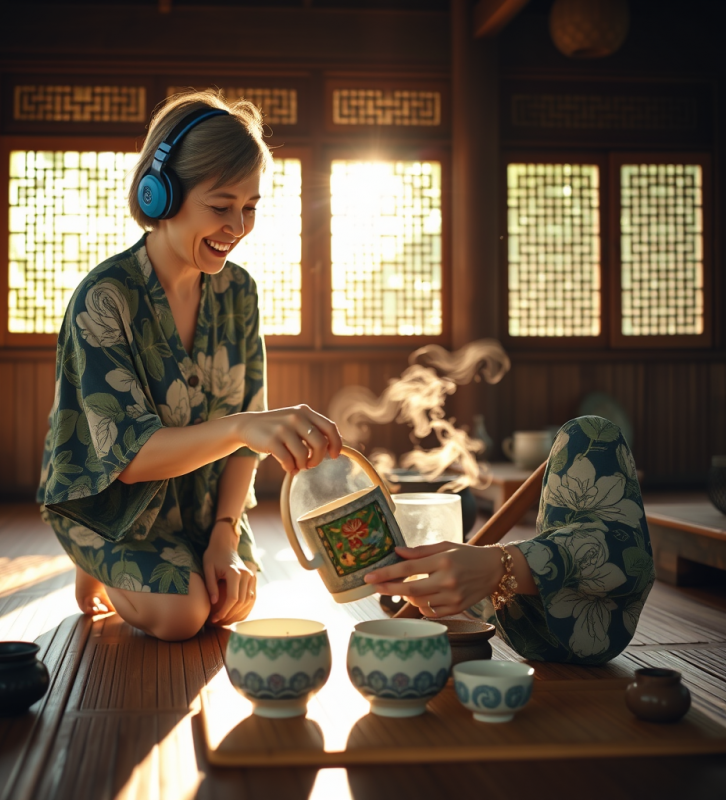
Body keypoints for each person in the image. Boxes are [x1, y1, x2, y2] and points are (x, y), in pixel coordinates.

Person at [37, 89, 341, 642]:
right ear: (160, 196)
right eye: (221, 206)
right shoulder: (106, 299)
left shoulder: (239, 292)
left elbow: (248, 431)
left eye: (250, 207)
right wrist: (245, 427)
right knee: (184, 617)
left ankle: (165, 560)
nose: (238, 226)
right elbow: (132, 458)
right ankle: (90, 554)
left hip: (204, 510)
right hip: (112, 505)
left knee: (228, 605)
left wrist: (225, 531)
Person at [365, 416, 655, 665]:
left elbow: (628, 561)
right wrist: (500, 567)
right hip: (544, 627)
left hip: (560, 625)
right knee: (590, 430)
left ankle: (474, 579)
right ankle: (455, 583)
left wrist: (502, 564)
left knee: (589, 431)